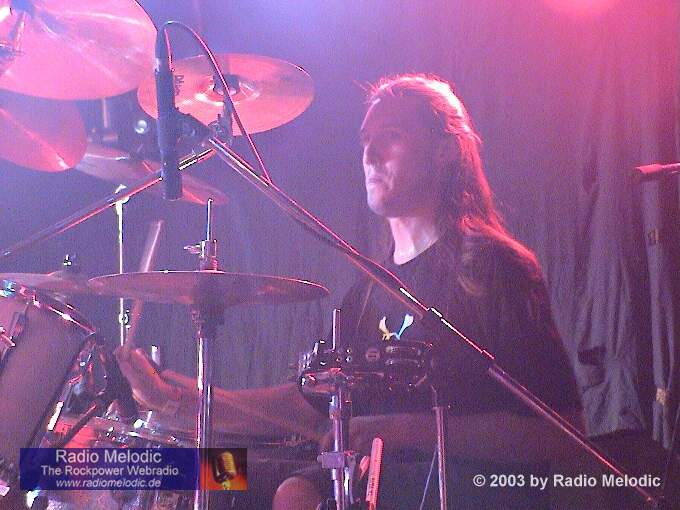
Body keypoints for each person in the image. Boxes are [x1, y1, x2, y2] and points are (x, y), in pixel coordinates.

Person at [116, 73, 582, 509]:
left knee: (295, 492)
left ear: (445, 151)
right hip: (365, 478)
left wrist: (406, 431)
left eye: (391, 136)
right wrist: (179, 400)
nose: (370, 155)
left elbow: (559, 435)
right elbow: (309, 411)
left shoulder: (494, 269)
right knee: (194, 472)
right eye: (365, 141)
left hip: (461, 489)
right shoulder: (367, 293)